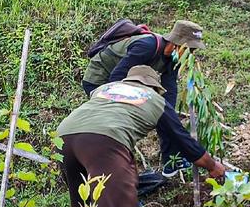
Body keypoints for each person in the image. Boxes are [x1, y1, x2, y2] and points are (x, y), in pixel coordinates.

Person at [57, 65, 225, 207]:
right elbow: (182, 140)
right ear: (154, 86)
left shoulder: (106, 89)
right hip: (105, 143)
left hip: (64, 138)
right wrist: (212, 165)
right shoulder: (155, 100)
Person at [82, 20, 206, 177]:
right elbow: (117, 77)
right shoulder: (147, 46)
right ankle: (109, 172)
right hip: (99, 79)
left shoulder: (173, 59)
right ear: (177, 43)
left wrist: (168, 114)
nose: (191, 54)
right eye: (190, 49)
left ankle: (170, 163)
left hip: (125, 80)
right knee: (115, 122)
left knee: (164, 113)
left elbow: (168, 91)